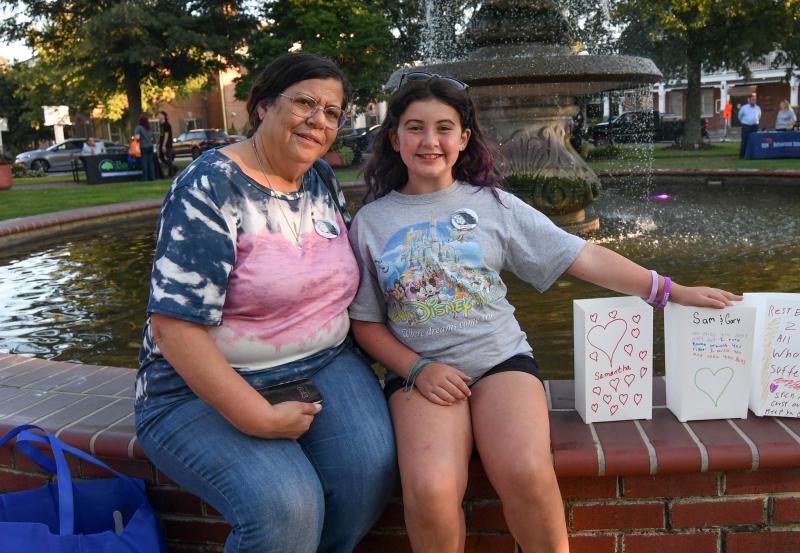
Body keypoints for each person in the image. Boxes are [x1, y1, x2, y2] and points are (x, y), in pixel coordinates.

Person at [348, 73, 741, 553]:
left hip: (500, 363)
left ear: (464, 138)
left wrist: (669, 291)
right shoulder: (370, 222)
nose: (430, 141)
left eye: (444, 128)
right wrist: (418, 368)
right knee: (430, 490)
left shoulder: (494, 205)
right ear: (395, 138)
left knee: (527, 473)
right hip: (422, 374)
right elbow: (365, 321)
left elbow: (581, 256)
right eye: (415, 128)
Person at [134, 52, 396, 553]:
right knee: (286, 506)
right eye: (304, 103)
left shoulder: (320, 179)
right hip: (195, 387)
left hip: (325, 363)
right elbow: (174, 328)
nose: (319, 120)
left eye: (332, 112)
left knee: (368, 474)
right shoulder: (209, 186)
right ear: (263, 107)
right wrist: (255, 416)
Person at [738, 93, 761, 158]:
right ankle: (742, 155)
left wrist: (756, 121)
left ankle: (753, 155)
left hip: (754, 126)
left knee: (754, 140)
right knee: (744, 140)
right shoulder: (744, 108)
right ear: (749, 100)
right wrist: (744, 122)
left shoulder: (758, 108)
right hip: (746, 126)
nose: (754, 101)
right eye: (753, 100)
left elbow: (759, 116)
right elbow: (739, 116)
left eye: (755, 100)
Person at [134, 114, 156, 181]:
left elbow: (137, 138)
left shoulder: (139, 128)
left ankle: (145, 178)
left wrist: (134, 139)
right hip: (150, 146)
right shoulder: (149, 128)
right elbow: (153, 137)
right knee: (151, 162)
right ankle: (152, 177)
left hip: (143, 146)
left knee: (144, 162)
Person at [158, 111, 176, 176]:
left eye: (160, 115)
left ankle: (171, 173)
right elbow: (161, 135)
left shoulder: (166, 124)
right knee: (161, 157)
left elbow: (166, 135)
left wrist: (164, 145)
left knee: (169, 158)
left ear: (163, 116)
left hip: (167, 144)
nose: (159, 116)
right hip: (162, 144)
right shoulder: (161, 124)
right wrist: (158, 143)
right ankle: (174, 168)